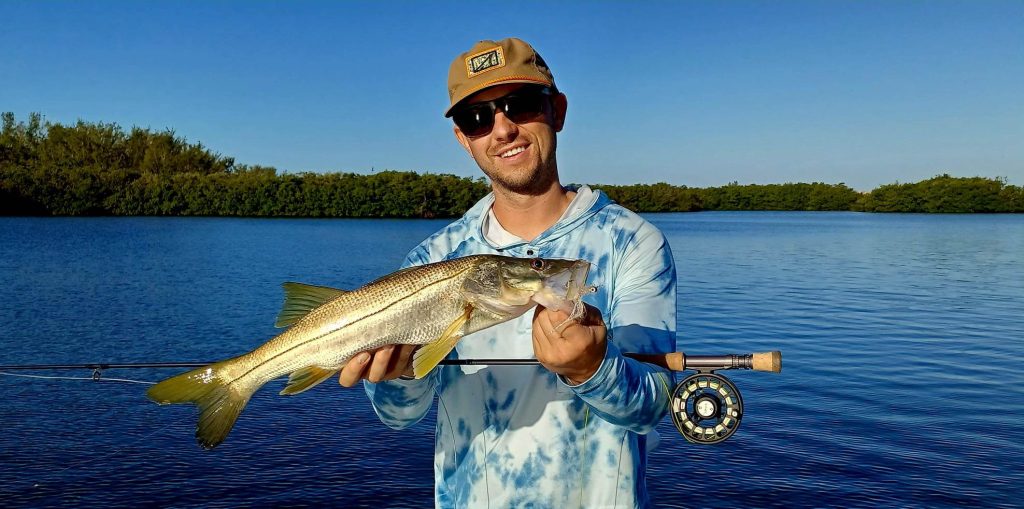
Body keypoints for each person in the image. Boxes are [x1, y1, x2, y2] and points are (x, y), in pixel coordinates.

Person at [339, 37, 678, 508]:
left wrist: (593, 371)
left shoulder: (632, 243)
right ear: (463, 138)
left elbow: (656, 405)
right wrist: (399, 377)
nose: (503, 129)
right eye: (476, 118)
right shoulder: (432, 257)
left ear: (557, 111)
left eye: (520, 105)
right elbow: (398, 417)